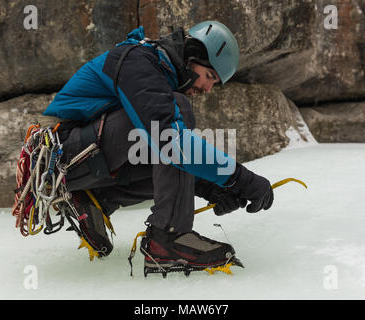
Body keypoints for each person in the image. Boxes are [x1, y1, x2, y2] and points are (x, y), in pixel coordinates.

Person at [42, 21, 274, 274]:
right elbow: (172, 144)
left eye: (214, 83)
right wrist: (240, 178)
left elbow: (167, 160)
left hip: (76, 158)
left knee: (169, 128)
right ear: (192, 56)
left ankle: (94, 199)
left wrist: (212, 188)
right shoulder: (139, 62)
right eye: (209, 76)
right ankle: (168, 238)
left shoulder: (155, 71)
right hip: (59, 155)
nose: (208, 88)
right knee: (176, 115)